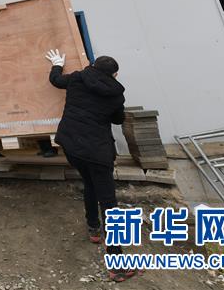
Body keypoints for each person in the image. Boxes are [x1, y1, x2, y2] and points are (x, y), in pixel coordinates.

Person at [46, 49, 134, 283]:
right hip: (97, 152)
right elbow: (117, 119)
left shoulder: (76, 78)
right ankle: (117, 266)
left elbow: (55, 80)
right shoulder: (116, 96)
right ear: (115, 75)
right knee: (110, 204)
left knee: (89, 184)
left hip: (71, 145)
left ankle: (94, 228)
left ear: (93, 66)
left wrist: (57, 64)